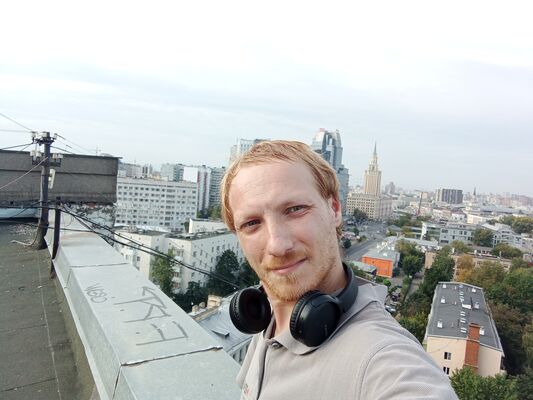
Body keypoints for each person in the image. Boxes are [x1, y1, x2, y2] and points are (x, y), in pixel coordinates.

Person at [221, 140, 458, 400]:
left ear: (334, 209)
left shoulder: (382, 360)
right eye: (251, 223)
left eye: (295, 209)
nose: (277, 245)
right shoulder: (265, 321)